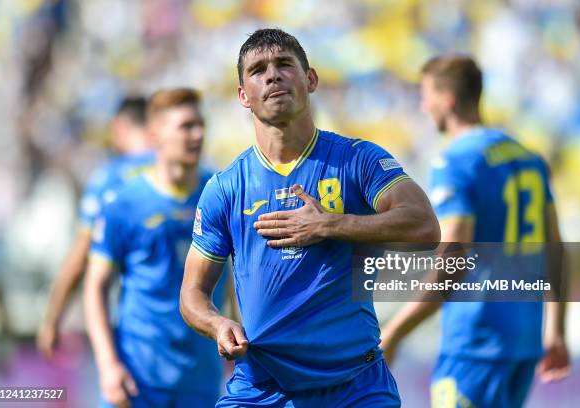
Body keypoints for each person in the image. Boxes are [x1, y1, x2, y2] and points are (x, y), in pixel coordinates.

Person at [180, 28, 440, 407]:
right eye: (258, 70)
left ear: (311, 79)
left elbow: (424, 227)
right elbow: (192, 293)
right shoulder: (226, 188)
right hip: (262, 388)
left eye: (284, 64)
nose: (272, 75)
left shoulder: (357, 160)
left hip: (355, 386)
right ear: (242, 96)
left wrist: (330, 224)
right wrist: (218, 324)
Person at [380, 55, 570, 408]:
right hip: (525, 340)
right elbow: (555, 248)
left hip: (476, 341)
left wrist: (394, 332)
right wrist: (555, 328)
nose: (423, 106)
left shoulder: (456, 161)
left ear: (448, 100)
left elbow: (453, 258)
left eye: (427, 95)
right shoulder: (528, 156)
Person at [84, 88, 226, 407]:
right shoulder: (125, 203)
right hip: (138, 377)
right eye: (186, 126)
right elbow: (95, 287)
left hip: (201, 377)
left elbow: (232, 273)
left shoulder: (220, 193)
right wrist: (108, 365)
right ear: (155, 134)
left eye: (201, 124)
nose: (198, 134)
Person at [37, 97, 154, 359]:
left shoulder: (110, 179)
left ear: (118, 127)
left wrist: (53, 317)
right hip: (193, 339)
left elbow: (81, 255)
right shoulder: (189, 173)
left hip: (132, 334)